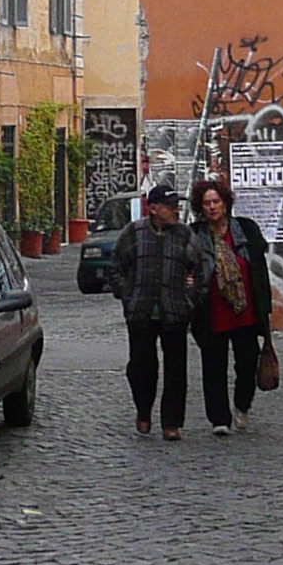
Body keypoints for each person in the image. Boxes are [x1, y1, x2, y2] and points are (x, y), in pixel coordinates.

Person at [110, 179, 203, 437]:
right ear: (153, 208)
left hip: (174, 311)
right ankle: (143, 410)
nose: (175, 210)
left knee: (176, 369)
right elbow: (116, 266)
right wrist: (126, 294)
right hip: (140, 311)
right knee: (142, 366)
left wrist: (190, 298)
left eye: (176, 205)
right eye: (169, 206)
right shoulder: (134, 233)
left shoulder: (185, 236)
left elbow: (201, 270)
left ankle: (171, 422)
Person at [191, 173, 274, 436]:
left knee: (247, 363)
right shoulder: (194, 236)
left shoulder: (246, 230)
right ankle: (219, 419)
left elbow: (259, 268)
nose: (212, 207)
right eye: (207, 203)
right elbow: (187, 266)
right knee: (213, 367)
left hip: (245, 311)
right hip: (211, 312)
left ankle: (242, 403)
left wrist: (265, 306)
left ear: (225, 203)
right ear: (200, 207)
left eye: (216, 201)